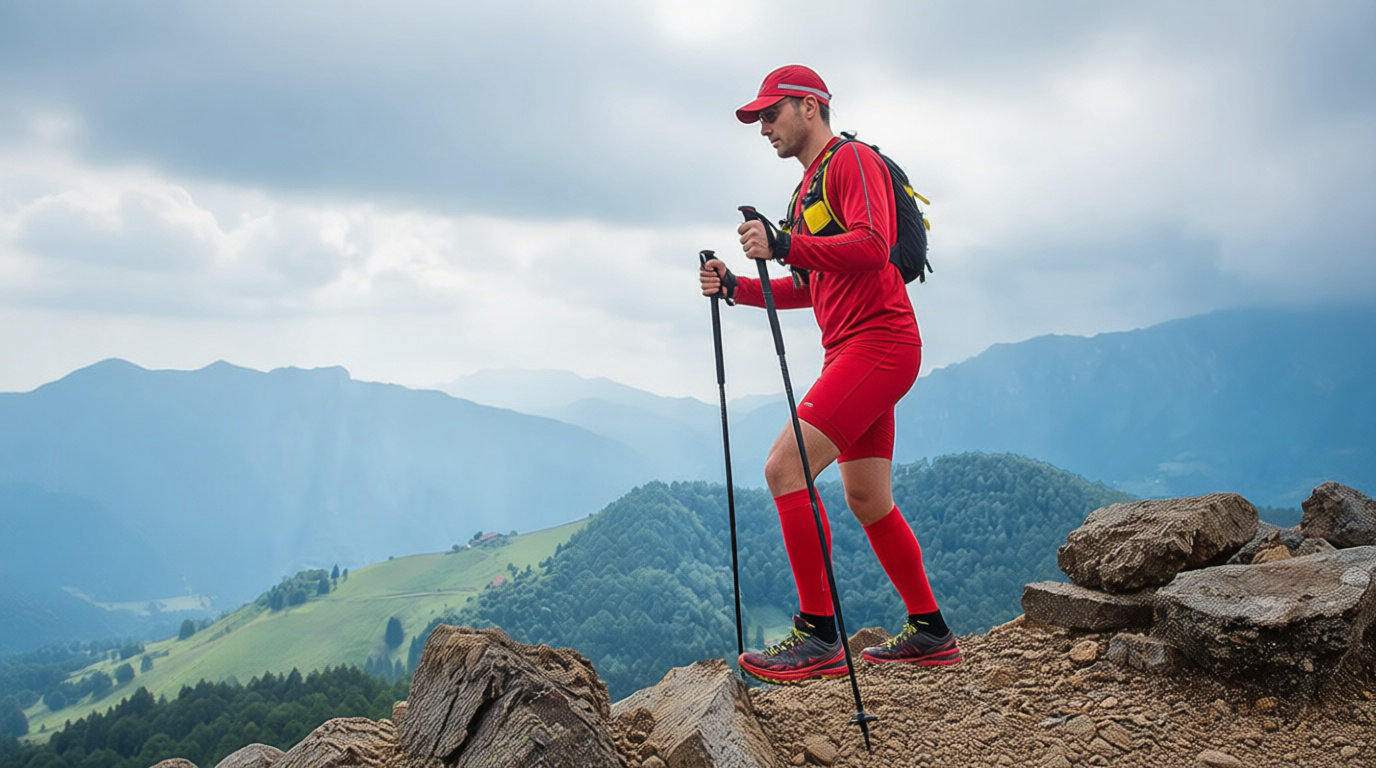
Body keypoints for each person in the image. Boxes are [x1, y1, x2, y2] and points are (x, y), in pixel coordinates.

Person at [699, 64, 961, 684]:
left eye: (771, 113)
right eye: (758, 118)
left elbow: (873, 245)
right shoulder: (804, 192)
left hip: (880, 343)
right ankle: (931, 631)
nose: (763, 127)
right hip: (850, 350)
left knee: (782, 468)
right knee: (867, 498)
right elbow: (814, 285)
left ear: (810, 107)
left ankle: (817, 636)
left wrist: (783, 244)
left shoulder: (850, 163)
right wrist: (738, 288)